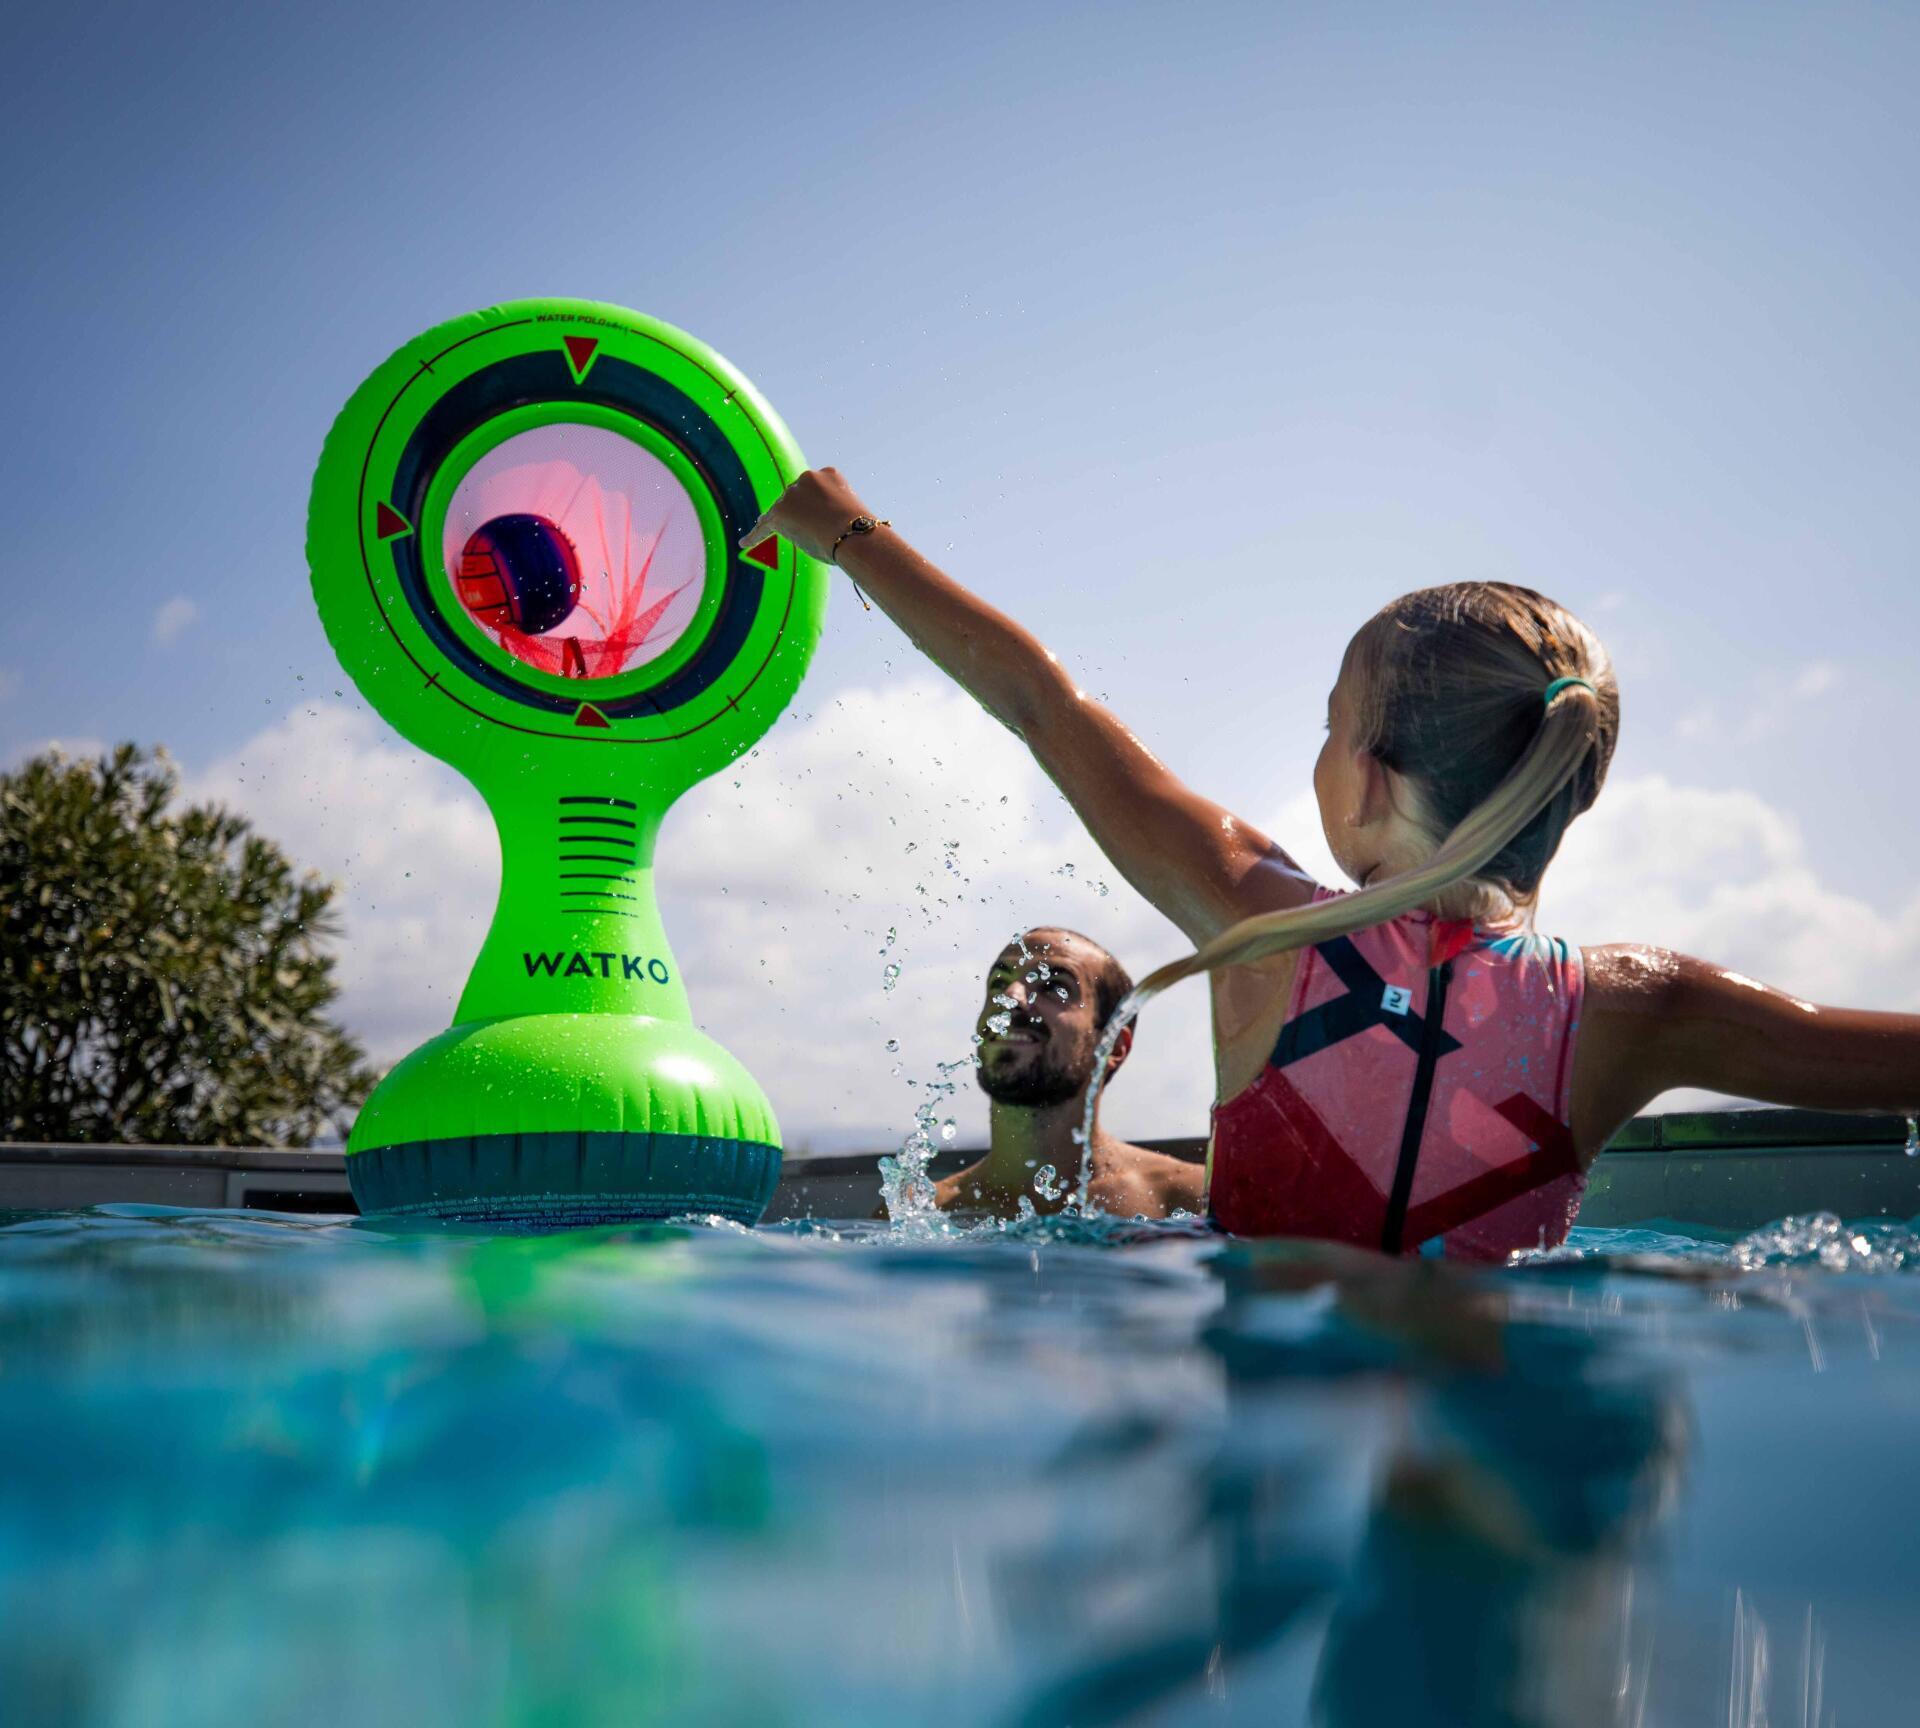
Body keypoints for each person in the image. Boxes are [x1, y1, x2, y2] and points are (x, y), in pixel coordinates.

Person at [745, 473, 1920, 1259]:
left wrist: (842, 529)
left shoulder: (1256, 921)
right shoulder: (1634, 1009)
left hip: (1276, 1447)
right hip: (1500, 1444)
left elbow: (1042, 705)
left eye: (1326, 722)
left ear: (1362, 778)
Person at [935, 927, 1203, 1220]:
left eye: (1053, 987)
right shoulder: (922, 1210)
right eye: (999, 983)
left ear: (1113, 1046)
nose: (1010, 997)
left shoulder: (1188, 1199)